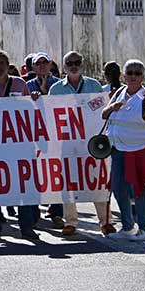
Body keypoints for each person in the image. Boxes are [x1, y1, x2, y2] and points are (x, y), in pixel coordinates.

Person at [47, 51, 115, 236]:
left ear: (82, 64)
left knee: (97, 179)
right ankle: (71, 221)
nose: (74, 65)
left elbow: (102, 110)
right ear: (64, 66)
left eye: (77, 62)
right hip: (67, 142)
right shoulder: (56, 89)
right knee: (68, 181)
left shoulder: (94, 85)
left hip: (90, 141)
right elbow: (50, 116)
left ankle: (105, 221)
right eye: (70, 63)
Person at [0, 49, 39, 241]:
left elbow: (31, 110)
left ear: (7, 64)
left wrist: (34, 98)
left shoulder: (20, 84)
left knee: (22, 186)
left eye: (1, 63)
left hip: (19, 145)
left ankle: (26, 227)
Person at [102, 59, 145, 242]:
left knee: (138, 189)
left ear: (143, 76)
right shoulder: (119, 92)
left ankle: (144, 229)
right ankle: (127, 226)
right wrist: (112, 107)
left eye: (138, 73)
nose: (134, 76)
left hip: (138, 149)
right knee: (118, 188)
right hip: (118, 148)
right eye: (130, 73)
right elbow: (104, 113)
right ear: (124, 76)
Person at [26, 52, 63, 227]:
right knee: (35, 172)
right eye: (38, 63)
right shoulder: (27, 86)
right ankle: (33, 213)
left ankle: (56, 211)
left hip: (55, 134)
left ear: (50, 65)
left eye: (45, 62)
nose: (41, 66)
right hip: (34, 135)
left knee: (56, 171)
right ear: (33, 67)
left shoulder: (59, 85)